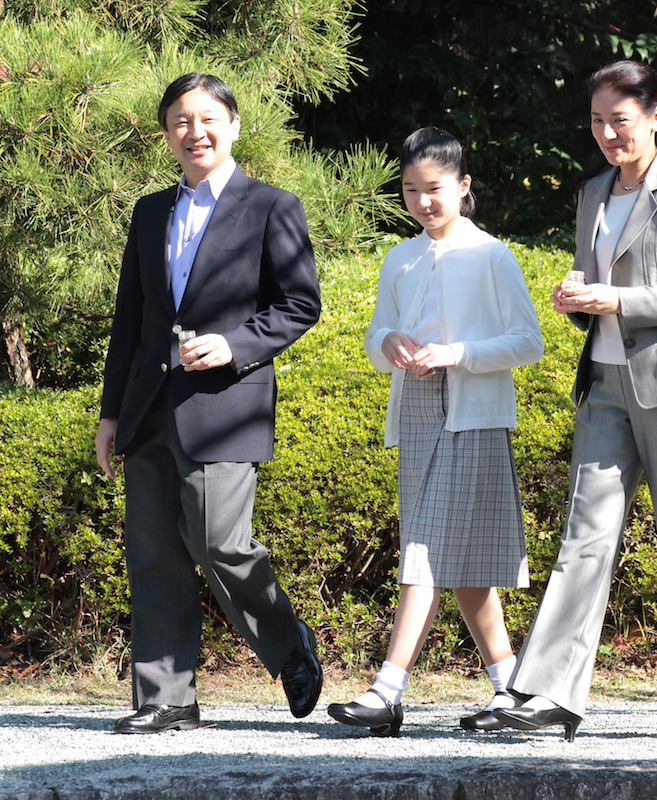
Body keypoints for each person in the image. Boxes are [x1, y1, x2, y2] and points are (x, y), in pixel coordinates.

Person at [494, 60, 657, 741]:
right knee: (583, 536)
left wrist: (618, 300)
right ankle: (550, 691)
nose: (607, 133)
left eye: (621, 120)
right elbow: (596, 287)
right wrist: (578, 301)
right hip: (603, 383)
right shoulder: (593, 192)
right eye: (598, 121)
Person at [94, 73, 323, 734]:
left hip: (226, 404)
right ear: (167, 135)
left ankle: (289, 645)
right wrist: (111, 414)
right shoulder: (149, 212)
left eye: (206, 118)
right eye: (179, 122)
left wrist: (235, 344)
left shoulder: (270, 206)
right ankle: (166, 698)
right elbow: (130, 319)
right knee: (154, 553)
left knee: (220, 540)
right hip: (148, 407)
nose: (194, 131)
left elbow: (300, 305)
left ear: (234, 124)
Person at [327, 127, 543, 737]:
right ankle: (511, 689)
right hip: (417, 408)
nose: (424, 201)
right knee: (463, 558)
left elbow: (530, 341)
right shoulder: (400, 256)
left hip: (473, 409)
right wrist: (388, 341)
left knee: (423, 546)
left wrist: (456, 354)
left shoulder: (491, 254)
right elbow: (377, 336)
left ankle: (386, 689)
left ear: (464, 186)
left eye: (437, 189)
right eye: (412, 190)